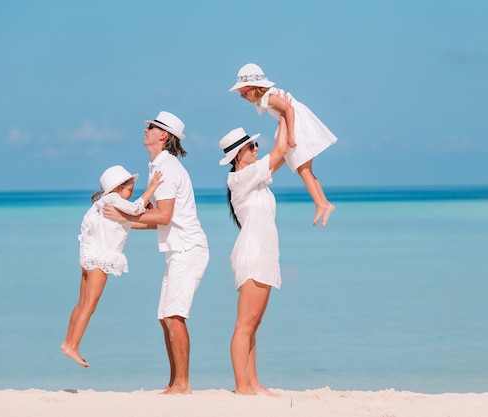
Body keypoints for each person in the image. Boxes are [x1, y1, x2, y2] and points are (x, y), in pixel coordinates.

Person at [103, 111, 209, 394]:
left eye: (150, 127)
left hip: (188, 248)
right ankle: (174, 382)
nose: (146, 129)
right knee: (165, 316)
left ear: (163, 135)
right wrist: (123, 221)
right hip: (178, 249)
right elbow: (160, 221)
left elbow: (162, 217)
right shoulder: (158, 166)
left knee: (174, 315)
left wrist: (123, 219)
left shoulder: (168, 168)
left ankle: (183, 385)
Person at [61, 165, 163, 368]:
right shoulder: (113, 199)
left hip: (90, 256)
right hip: (100, 258)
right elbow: (135, 209)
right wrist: (151, 188)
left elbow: (133, 221)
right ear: (117, 188)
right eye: (130, 189)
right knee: (90, 305)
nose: (132, 193)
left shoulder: (108, 205)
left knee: (82, 303)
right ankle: (72, 346)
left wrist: (158, 219)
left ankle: (68, 341)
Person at [218, 120, 289, 395]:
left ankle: (253, 382)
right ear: (238, 156)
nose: (257, 148)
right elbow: (280, 150)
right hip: (253, 255)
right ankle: (241, 385)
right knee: (245, 324)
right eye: (251, 146)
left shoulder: (256, 180)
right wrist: (284, 114)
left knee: (254, 324)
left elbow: (281, 155)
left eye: (256, 144)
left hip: (265, 254)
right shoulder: (238, 178)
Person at [229, 62, 337, 227]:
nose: (244, 97)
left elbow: (288, 109)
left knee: (303, 169)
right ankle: (324, 202)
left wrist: (292, 134)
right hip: (293, 123)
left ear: (253, 88)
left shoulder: (268, 97)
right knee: (306, 169)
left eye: (244, 93)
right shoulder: (265, 99)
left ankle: (321, 203)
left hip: (297, 124)